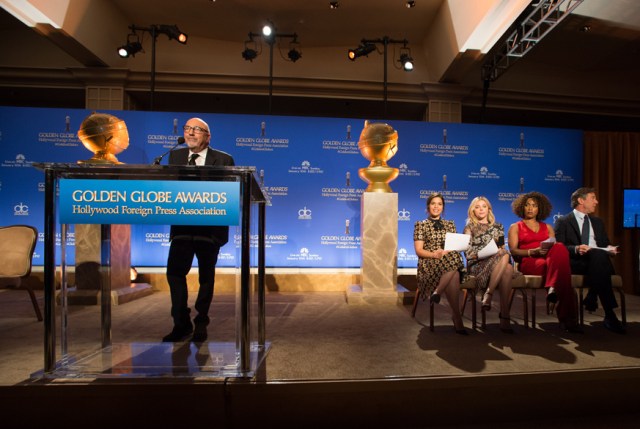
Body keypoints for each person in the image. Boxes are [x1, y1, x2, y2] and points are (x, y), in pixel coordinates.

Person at [162, 117, 235, 342]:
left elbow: (231, 190)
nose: (191, 133)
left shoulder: (223, 159)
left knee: (206, 276)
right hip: (182, 226)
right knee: (174, 273)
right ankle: (180, 322)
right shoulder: (173, 156)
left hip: (209, 229)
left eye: (197, 130)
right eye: (187, 129)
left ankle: (201, 321)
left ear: (207, 136)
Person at [554, 187, 625, 334]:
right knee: (600, 259)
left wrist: (611, 248)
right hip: (577, 262)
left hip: (597, 262)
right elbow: (559, 248)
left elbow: (605, 243)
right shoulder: (563, 221)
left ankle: (594, 296)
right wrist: (576, 248)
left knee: (598, 255)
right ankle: (607, 313)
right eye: (593, 198)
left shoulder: (598, 222)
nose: (597, 202)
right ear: (581, 200)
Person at [507, 191, 581, 333]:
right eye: (527, 205)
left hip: (549, 261)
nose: (530, 208)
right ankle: (568, 319)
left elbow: (553, 248)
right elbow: (514, 251)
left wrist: (546, 251)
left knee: (559, 246)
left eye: (534, 205)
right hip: (529, 262)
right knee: (564, 276)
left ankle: (553, 287)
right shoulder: (515, 227)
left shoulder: (548, 227)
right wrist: (532, 252)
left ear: (539, 209)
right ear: (521, 207)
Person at [414, 193, 467, 335]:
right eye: (433, 203)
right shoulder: (421, 225)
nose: (436, 206)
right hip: (429, 264)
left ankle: (437, 293)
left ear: (443, 207)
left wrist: (445, 252)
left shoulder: (450, 224)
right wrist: (434, 254)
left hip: (448, 260)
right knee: (454, 269)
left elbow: (455, 246)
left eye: (439, 204)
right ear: (428, 206)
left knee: (454, 269)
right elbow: (419, 251)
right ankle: (457, 318)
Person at [463, 196, 514, 333]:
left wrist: (497, 252)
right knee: (506, 261)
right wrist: (484, 253)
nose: (481, 209)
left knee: (506, 262)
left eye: (484, 206)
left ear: (489, 209)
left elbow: (502, 247)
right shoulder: (469, 228)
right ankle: (503, 315)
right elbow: (468, 254)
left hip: (498, 263)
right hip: (478, 264)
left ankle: (490, 296)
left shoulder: (499, 227)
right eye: (477, 207)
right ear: (473, 210)